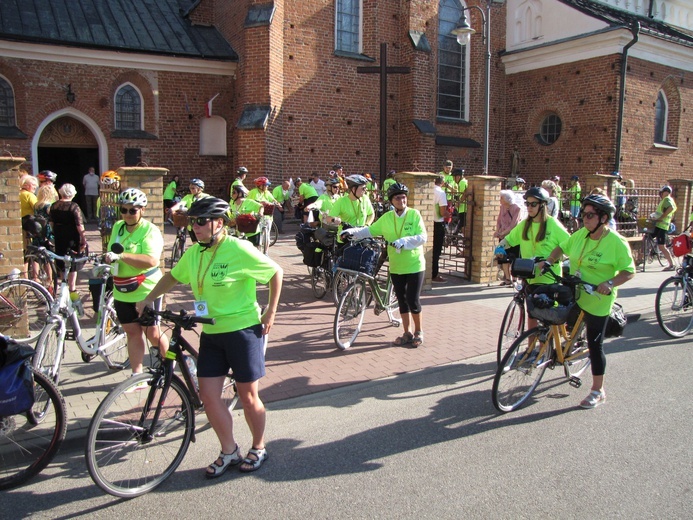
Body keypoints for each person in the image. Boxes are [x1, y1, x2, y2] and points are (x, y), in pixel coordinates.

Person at [138, 197, 283, 476]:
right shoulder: (195, 253)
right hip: (211, 332)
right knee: (208, 395)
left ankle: (259, 447)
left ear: (219, 222)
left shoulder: (238, 248)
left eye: (201, 221)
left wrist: (270, 313)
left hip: (242, 331)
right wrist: (148, 298)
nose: (195, 227)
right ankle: (229, 450)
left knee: (247, 394)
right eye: (193, 222)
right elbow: (172, 277)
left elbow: (276, 272)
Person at [544, 194, 635, 409]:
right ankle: (568, 348)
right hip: (576, 292)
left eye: (590, 215)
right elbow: (561, 248)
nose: (584, 218)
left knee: (595, 344)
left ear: (603, 218)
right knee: (558, 317)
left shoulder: (616, 242)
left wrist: (611, 283)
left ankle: (597, 390)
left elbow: (629, 271)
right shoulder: (581, 235)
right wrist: (548, 261)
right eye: (583, 214)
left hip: (598, 300)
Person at [341, 183, 427, 347]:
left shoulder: (414, 215)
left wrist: (404, 241)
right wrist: (352, 232)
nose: (401, 200)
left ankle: (418, 331)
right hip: (396, 265)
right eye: (397, 197)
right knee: (402, 300)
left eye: (403, 197)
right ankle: (407, 332)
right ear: (391, 201)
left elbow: (423, 237)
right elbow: (369, 230)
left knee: (412, 299)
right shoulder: (387, 218)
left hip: (414, 265)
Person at [103, 188, 168, 377]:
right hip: (122, 289)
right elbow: (112, 251)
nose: (128, 214)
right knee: (132, 332)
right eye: (124, 210)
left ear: (143, 210)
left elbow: (151, 260)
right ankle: (137, 375)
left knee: (152, 333)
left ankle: (170, 364)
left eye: (133, 210)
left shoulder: (150, 230)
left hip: (145, 289)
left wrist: (122, 256)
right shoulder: (118, 227)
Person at [501, 187, 570, 324]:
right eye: (527, 204)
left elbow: (568, 248)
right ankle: (530, 345)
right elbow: (509, 240)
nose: (529, 207)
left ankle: (550, 343)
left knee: (548, 317)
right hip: (529, 276)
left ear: (542, 205)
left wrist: (551, 260)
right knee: (531, 314)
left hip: (548, 279)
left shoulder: (553, 224)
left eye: (533, 204)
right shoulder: (525, 224)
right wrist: (499, 249)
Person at [49, 184, 87, 294]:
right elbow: (79, 225)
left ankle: (63, 284)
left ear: (60, 192)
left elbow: (51, 222)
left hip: (59, 235)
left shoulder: (54, 206)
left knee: (61, 259)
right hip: (72, 236)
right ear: (73, 193)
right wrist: (84, 239)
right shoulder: (73, 206)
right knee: (72, 262)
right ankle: (72, 287)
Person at [326, 174, 375, 244]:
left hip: (361, 237)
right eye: (363, 188)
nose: (366, 190)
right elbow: (328, 218)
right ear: (354, 189)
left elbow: (371, 214)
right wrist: (334, 219)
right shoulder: (341, 201)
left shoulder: (365, 199)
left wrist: (367, 225)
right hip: (345, 239)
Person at [493, 190, 522, 285]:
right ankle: (507, 279)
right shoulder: (502, 207)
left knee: (514, 257)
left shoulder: (517, 208)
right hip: (503, 236)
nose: (500, 200)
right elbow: (499, 220)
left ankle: (515, 278)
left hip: (513, 237)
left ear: (507, 199)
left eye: (501, 198)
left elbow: (514, 224)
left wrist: (504, 233)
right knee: (503, 257)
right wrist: (498, 231)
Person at [170, 178, 209, 243]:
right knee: (195, 244)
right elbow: (181, 204)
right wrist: (172, 209)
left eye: (193, 188)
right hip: (191, 224)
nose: (191, 189)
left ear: (200, 189)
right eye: (190, 188)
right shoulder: (188, 197)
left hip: (202, 223)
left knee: (203, 242)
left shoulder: (206, 197)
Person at [654, 185, 677, 270]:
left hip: (662, 226)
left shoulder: (667, 199)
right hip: (659, 225)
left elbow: (670, 208)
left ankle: (672, 265)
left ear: (663, 192)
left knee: (662, 246)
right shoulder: (667, 199)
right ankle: (641, 258)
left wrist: (661, 218)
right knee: (647, 237)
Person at [432, 175, 448, 283]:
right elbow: (442, 212)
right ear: (442, 182)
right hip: (438, 223)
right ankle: (434, 274)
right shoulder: (441, 193)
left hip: (428, 223)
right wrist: (448, 213)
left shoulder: (429, 190)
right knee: (436, 251)